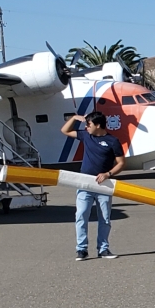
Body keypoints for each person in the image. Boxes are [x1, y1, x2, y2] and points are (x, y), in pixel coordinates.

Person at [60, 111, 125, 260]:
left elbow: (121, 163)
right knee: (81, 215)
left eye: (88, 124)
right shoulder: (86, 136)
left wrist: (108, 173)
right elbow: (65, 131)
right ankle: (81, 249)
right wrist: (75, 118)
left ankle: (103, 249)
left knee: (105, 218)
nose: (86, 127)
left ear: (98, 125)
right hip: (85, 183)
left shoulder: (112, 141)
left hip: (104, 185)